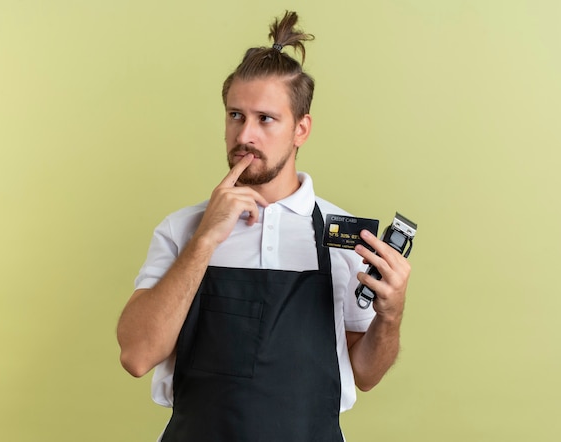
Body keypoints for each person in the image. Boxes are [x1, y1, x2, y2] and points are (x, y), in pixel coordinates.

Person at [117, 10, 412, 442]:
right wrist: (205, 240)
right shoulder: (182, 229)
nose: (245, 135)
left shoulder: (345, 238)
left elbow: (366, 373)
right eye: (235, 116)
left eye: (265, 119)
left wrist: (391, 314)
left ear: (301, 129)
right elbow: (137, 355)